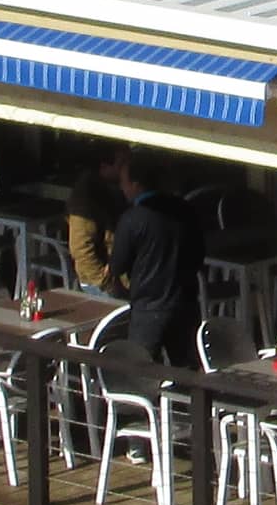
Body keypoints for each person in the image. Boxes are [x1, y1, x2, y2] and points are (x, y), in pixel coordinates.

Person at [107, 155, 204, 367]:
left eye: (123, 182)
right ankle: (183, 401)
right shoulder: (185, 209)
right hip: (185, 302)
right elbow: (199, 255)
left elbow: (118, 265)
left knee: (140, 371)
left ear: (136, 185)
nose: (122, 188)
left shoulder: (133, 218)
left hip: (148, 307)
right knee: (187, 369)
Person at [63, 152, 129, 295]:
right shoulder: (85, 199)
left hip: (117, 276)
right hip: (100, 283)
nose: (126, 166)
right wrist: (105, 282)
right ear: (104, 167)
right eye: (122, 162)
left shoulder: (112, 187)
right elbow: (81, 249)